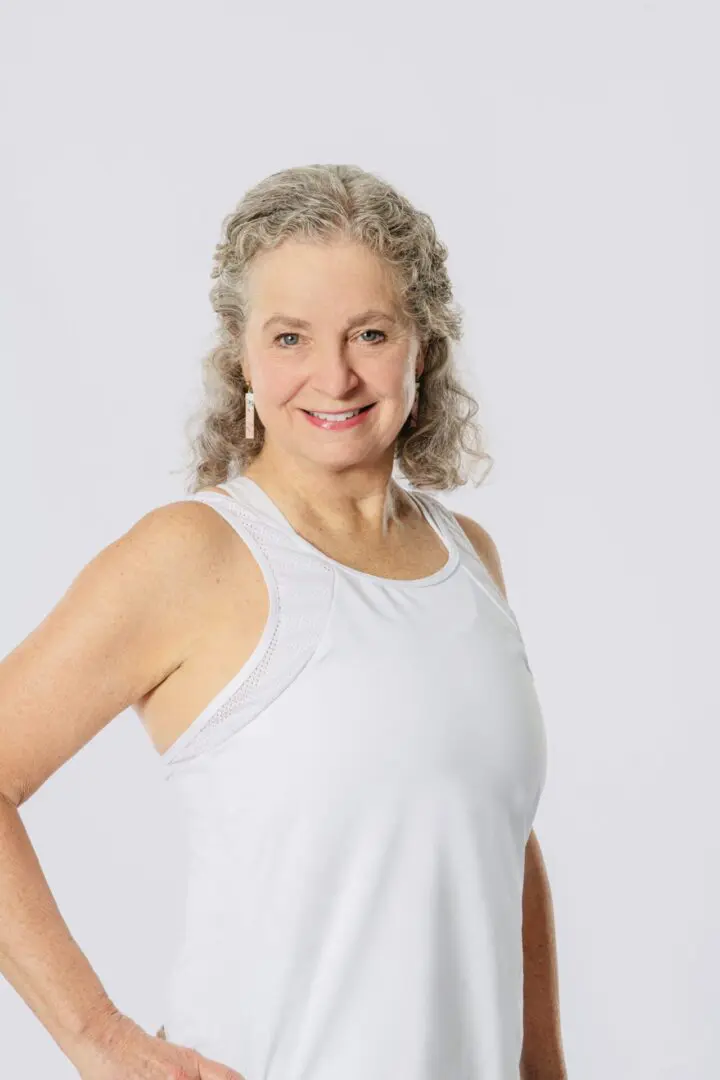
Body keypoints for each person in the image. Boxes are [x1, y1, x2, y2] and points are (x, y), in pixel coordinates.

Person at [0, 164, 566, 1079]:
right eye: (290, 335)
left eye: (370, 333)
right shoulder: (197, 554)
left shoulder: (472, 560)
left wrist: (545, 1067)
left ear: (423, 343)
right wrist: (100, 1040)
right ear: (244, 356)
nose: (334, 375)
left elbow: (496, 836)